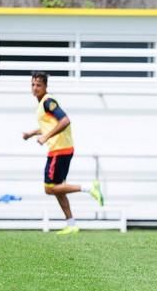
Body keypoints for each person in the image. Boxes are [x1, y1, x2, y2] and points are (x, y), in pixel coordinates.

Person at [22, 71, 104, 234]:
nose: (35, 88)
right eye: (33, 84)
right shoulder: (41, 104)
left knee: (49, 188)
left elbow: (65, 120)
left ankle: (89, 187)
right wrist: (32, 133)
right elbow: (49, 125)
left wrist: (45, 137)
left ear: (45, 86)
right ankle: (71, 224)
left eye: (39, 85)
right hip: (61, 149)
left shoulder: (48, 101)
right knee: (59, 189)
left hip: (59, 150)